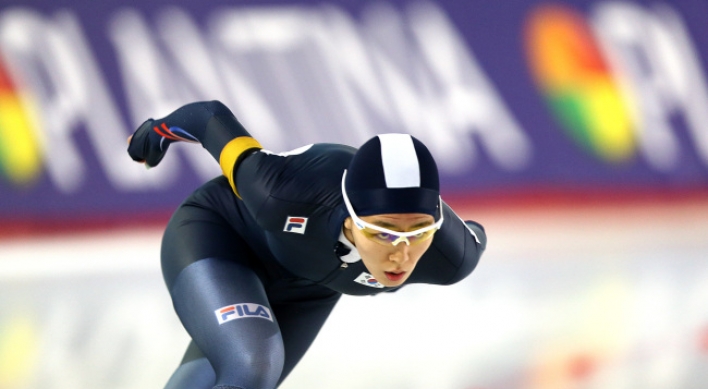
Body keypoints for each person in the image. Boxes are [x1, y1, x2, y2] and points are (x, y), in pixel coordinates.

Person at [127, 100, 487, 389]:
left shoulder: (451, 256)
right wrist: (155, 133)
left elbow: (473, 233)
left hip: (309, 291)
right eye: (383, 232)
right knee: (252, 366)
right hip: (222, 239)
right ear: (349, 217)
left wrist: (424, 234)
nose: (401, 253)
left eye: (420, 232)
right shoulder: (280, 193)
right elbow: (208, 117)